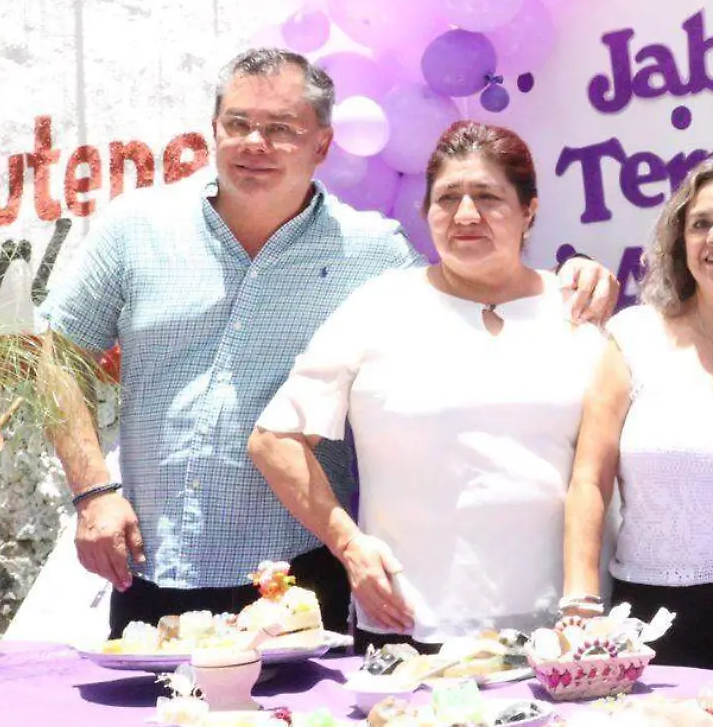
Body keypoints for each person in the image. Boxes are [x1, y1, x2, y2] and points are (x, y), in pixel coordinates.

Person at [39, 48, 617, 637]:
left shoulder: (373, 252)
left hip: (306, 571)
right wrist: (92, 492)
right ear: (213, 130)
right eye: (237, 124)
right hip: (149, 560)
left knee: (302, 726)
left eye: (281, 128)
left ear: (322, 144)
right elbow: (56, 358)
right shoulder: (135, 229)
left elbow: (470, 290)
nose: (254, 143)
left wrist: (571, 279)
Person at [250, 122, 607, 647]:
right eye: (447, 198)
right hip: (409, 627)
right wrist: (349, 546)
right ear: (425, 211)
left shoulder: (578, 310)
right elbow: (274, 439)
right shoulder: (378, 307)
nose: (466, 215)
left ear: (530, 209)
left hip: (563, 632)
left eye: (488, 196)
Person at [560, 156, 713, 674]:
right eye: (700, 224)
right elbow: (589, 478)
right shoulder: (633, 337)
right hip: (656, 620)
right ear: (681, 244)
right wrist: (580, 604)